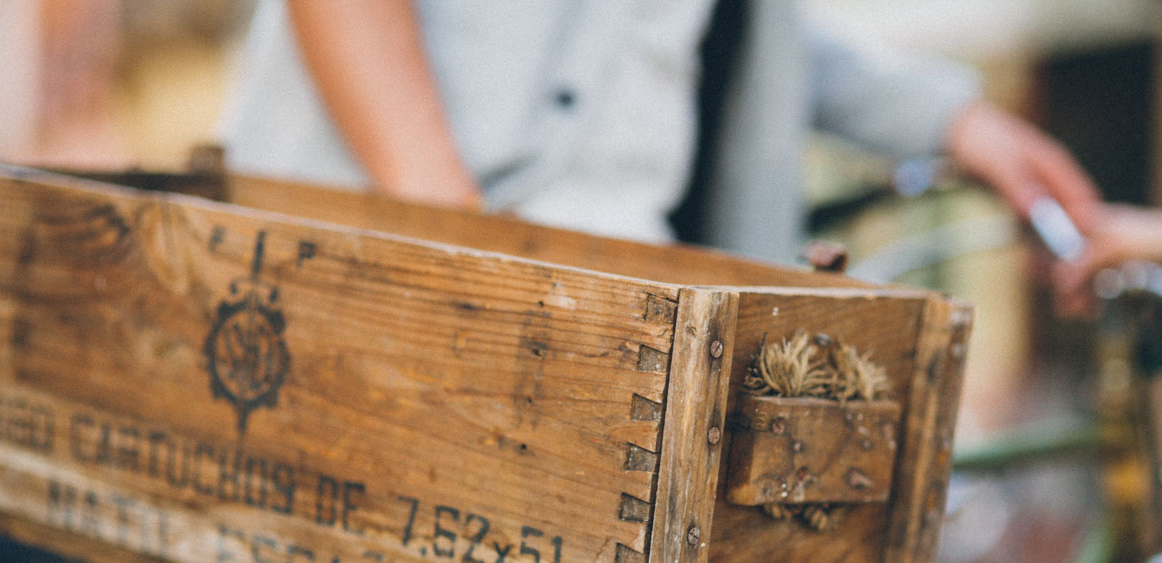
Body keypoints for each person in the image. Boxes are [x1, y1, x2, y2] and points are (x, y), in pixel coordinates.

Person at [220, 0, 1125, 293]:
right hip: (388, 261)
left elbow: (701, 39)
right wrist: (467, 249)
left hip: (618, 284)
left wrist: (958, 123)